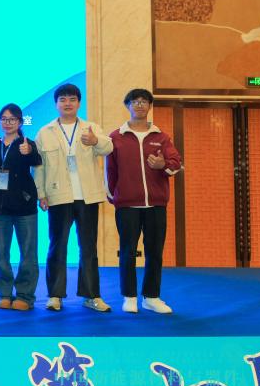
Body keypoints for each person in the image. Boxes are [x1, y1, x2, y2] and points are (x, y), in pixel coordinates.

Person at [33, 83, 114, 313]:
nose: (67, 103)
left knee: (88, 247)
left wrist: (95, 141)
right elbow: (39, 167)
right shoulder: (45, 132)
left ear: (79, 103)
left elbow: (108, 148)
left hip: (87, 196)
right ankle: (55, 295)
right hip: (58, 196)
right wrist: (41, 194)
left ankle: (91, 296)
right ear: (56, 104)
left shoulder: (91, 128)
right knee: (57, 246)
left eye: (72, 99)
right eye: (63, 99)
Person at [106, 89, 183, 314]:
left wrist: (163, 165)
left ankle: (151, 297)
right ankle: (129, 297)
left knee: (155, 252)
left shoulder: (161, 136)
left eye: (144, 101)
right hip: (127, 205)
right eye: (135, 101)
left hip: (156, 205)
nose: (139, 105)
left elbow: (176, 162)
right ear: (127, 106)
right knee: (127, 251)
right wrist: (115, 197)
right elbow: (110, 171)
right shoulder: (116, 137)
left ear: (149, 106)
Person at [0, 103, 42, 311]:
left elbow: (37, 160)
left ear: (20, 122)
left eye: (12, 119)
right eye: (4, 119)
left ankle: (25, 295)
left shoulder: (27, 144)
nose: (8, 123)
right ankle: (5, 293)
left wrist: (29, 151)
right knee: (0, 254)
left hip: (25, 208)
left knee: (28, 253)